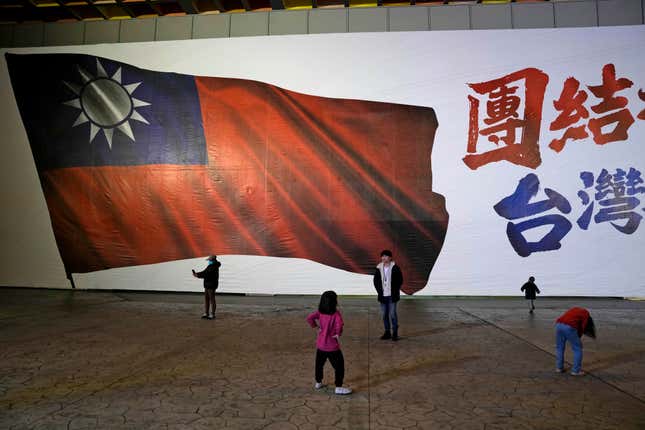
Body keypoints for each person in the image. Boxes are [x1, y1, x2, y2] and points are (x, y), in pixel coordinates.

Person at [306, 291, 352, 395]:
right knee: (339, 367)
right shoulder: (336, 314)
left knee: (319, 365)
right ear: (334, 302)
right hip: (332, 347)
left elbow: (309, 318)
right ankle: (338, 387)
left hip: (321, 345)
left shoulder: (320, 312)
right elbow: (340, 324)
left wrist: (315, 326)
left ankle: (318, 382)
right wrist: (337, 333)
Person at [555, 307, 596, 376]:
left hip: (558, 324)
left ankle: (559, 368)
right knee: (578, 348)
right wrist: (577, 338)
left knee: (560, 348)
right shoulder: (586, 313)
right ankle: (576, 371)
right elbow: (583, 327)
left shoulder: (574, 309)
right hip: (569, 327)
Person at [373, 250, 403, 341]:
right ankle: (387, 332)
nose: (383, 258)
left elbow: (400, 280)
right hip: (383, 296)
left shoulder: (395, 267)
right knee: (384, 315)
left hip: (392, 295)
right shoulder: (378, 268)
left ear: (390, 257)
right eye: (382, 256)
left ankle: (395, 333)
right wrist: (379, 292)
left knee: (392, 314)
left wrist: (394, 290)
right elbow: (376, 281)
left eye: (386, 256)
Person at [192, 255, 221, 320]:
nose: (208, 261)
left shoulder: (213, 266)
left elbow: (206, 274)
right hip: (207, 284)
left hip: (211, 285)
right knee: (207, 299)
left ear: (212, 260)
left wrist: (197, 275)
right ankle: (206, 313)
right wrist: (197, 274)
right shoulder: (211, 266)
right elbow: (205, 272)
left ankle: (212, 314)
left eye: (209, 260)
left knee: (212, 299)